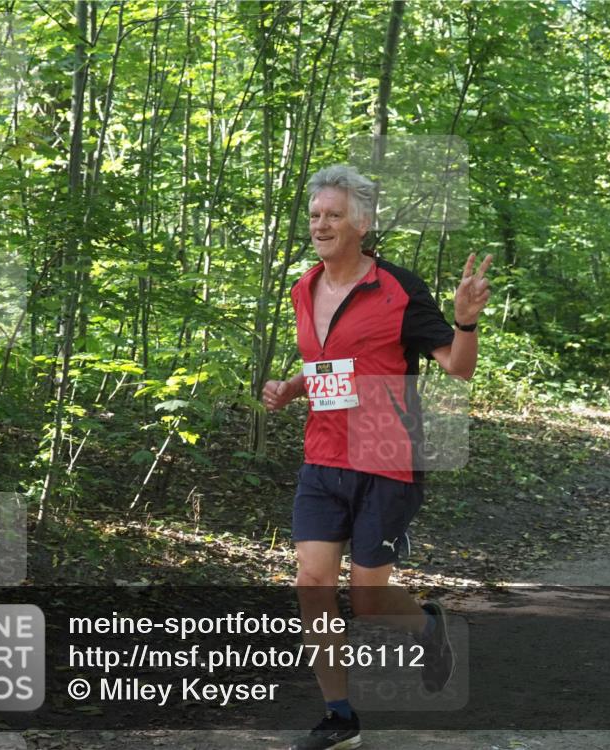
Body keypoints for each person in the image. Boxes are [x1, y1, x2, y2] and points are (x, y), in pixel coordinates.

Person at [262, 164, 491, 750]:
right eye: (315, 215)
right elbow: (337, 364)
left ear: (361, 223)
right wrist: (296, 386)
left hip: (386, 455)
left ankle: (429, 629)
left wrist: (465, 318)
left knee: (367, 598)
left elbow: (457, 367)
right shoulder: (304, 288)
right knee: (312, 581)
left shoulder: (398, 288)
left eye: (333, 215)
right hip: (324, 456)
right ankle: (340, 717)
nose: (321, 224)